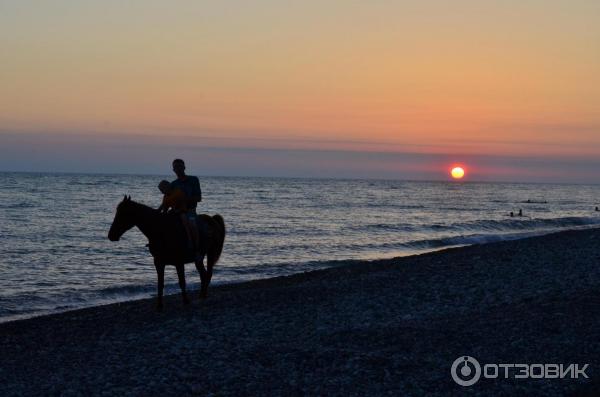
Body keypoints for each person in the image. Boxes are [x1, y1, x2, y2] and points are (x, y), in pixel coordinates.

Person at [170, 159, 203, 260]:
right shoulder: (173, 184)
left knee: (192, 225)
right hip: (177, 211)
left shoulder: (193, 180)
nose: (178, 169)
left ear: (184, 167)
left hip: (190, 210)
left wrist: (185, 199)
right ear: (173, 170)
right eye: (176, 167)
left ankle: (197, 250)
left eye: (180, 166)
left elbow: (198, 198)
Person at [157, 180, 200, 256]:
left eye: (162, 189)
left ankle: (193, 243)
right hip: (173, 213)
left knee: (188, 223)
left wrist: (175, 210)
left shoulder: (178, 192)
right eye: (161, 190)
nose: (162, 192)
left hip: (183, 211)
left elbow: (181, 204)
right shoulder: (166, 197)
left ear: (167, 187)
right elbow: (163, 207)